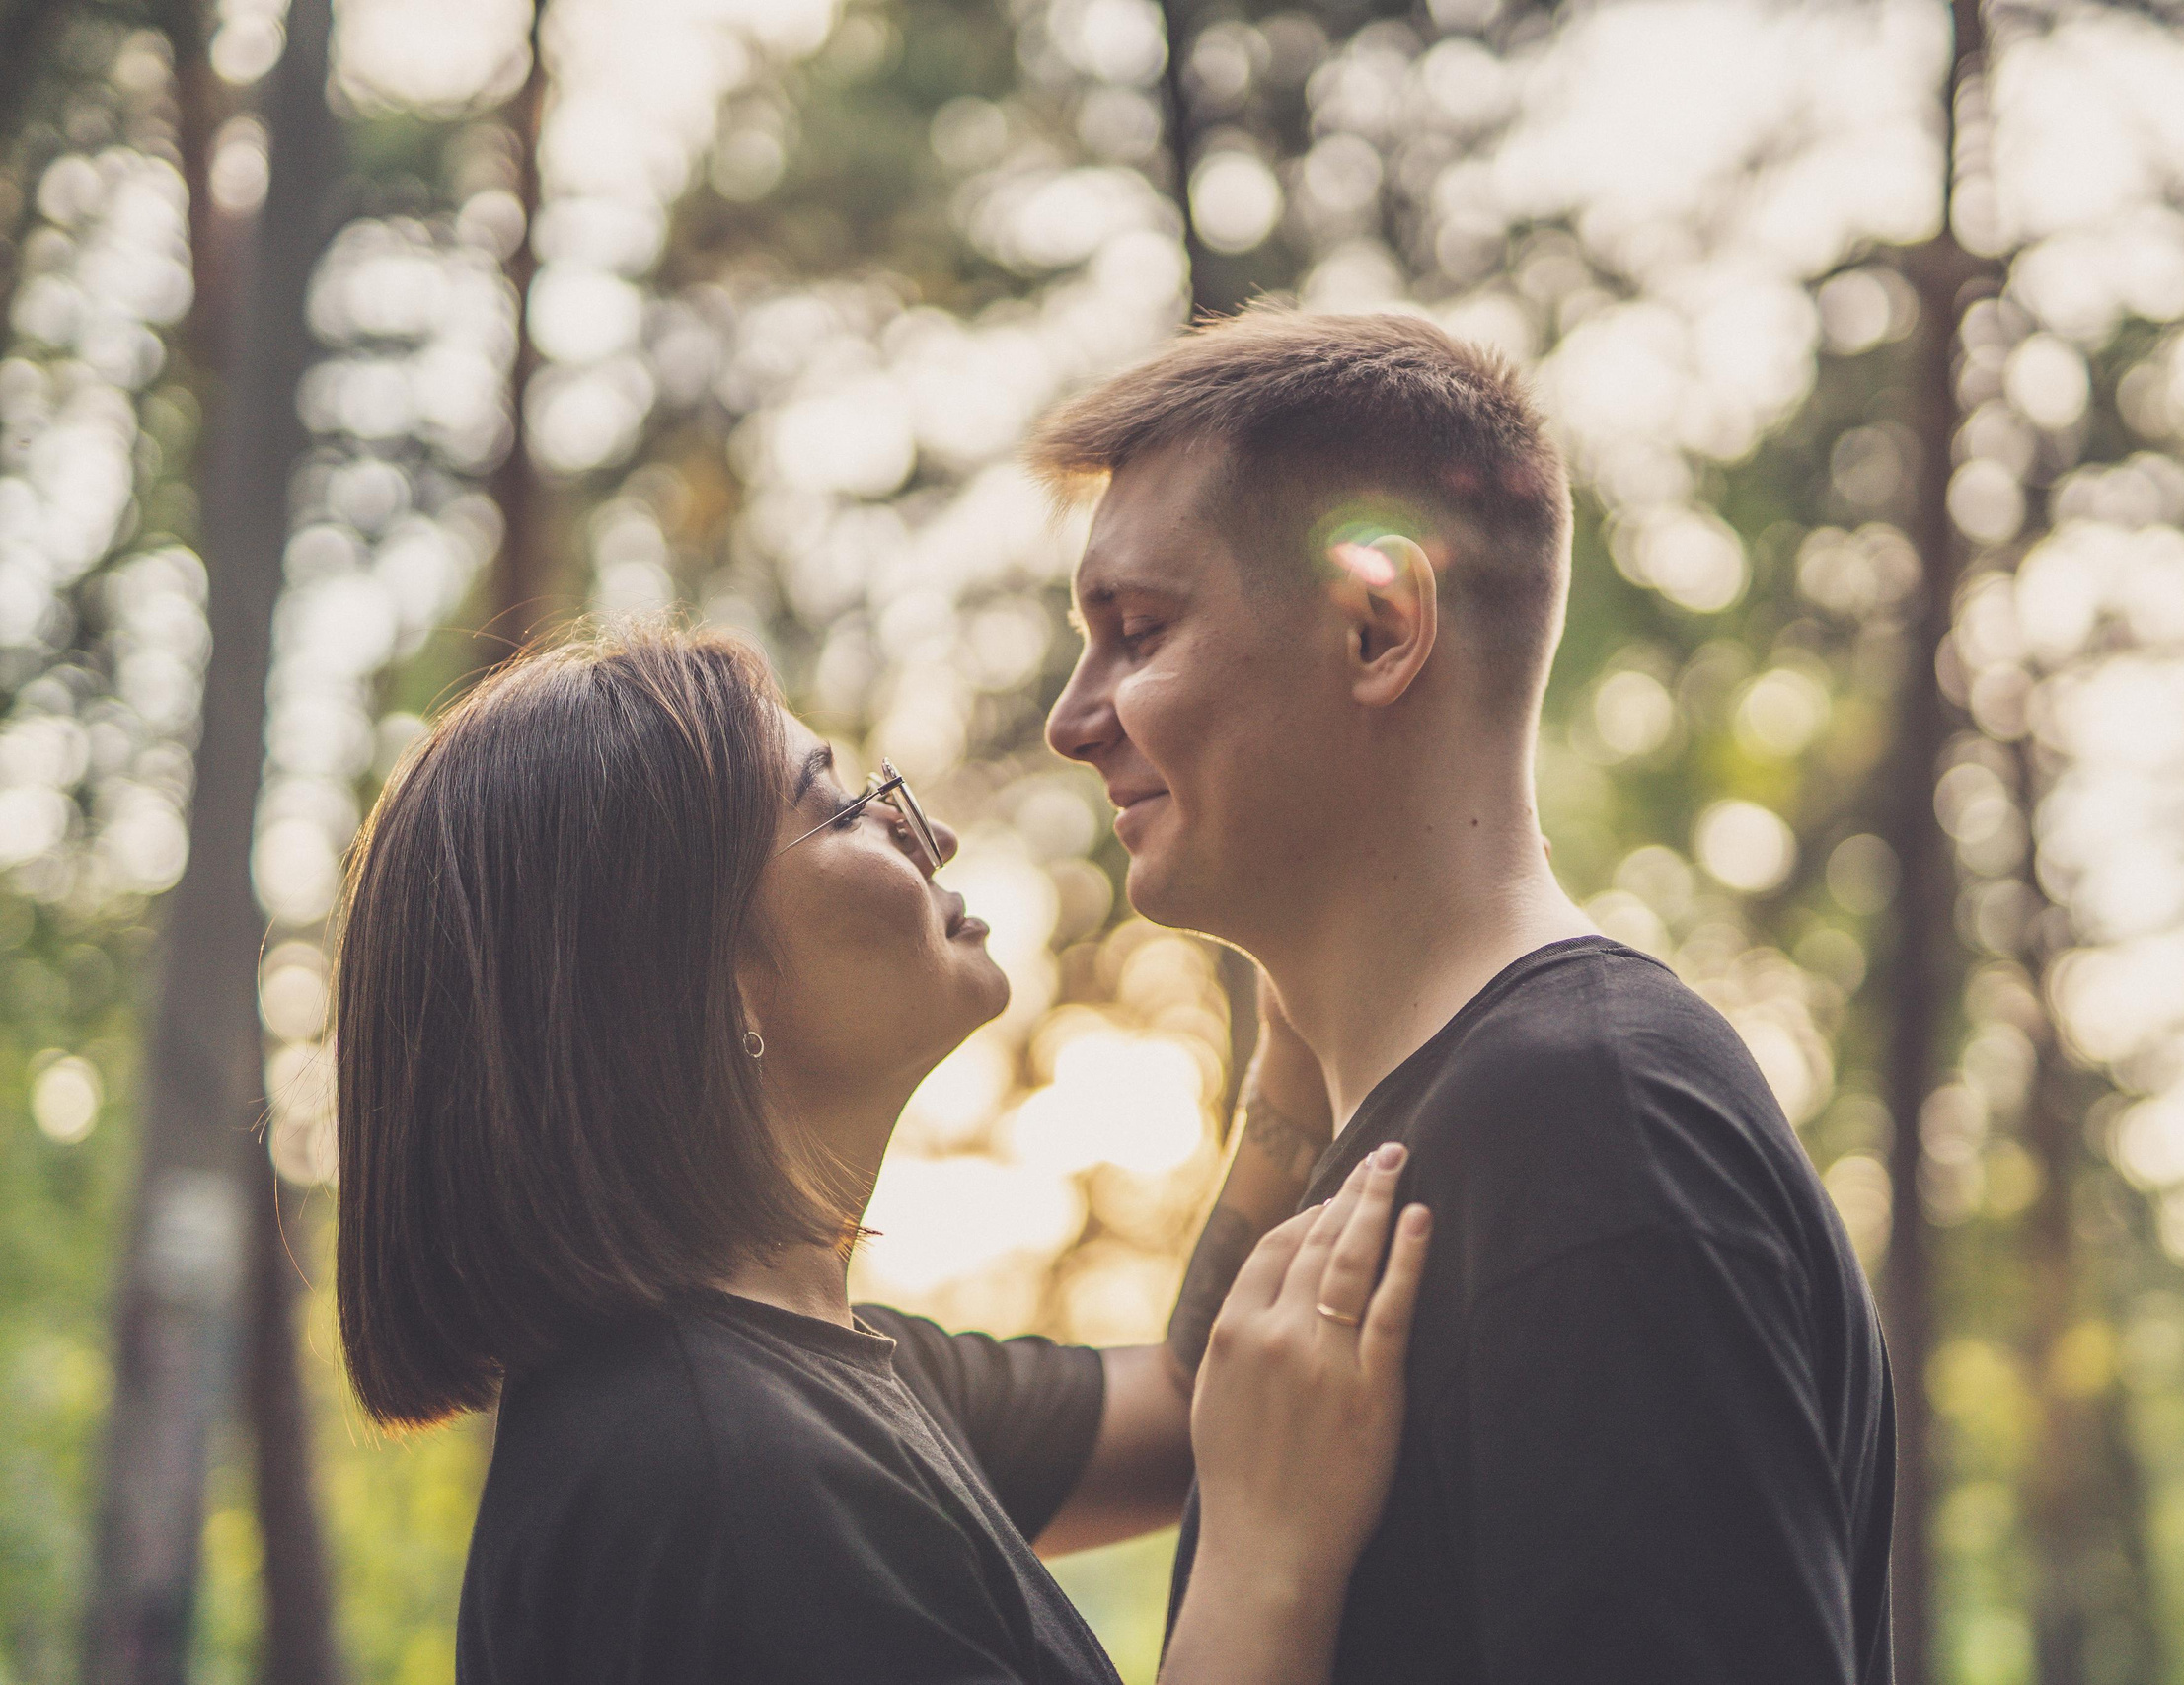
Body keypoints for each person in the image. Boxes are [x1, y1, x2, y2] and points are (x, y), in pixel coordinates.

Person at [1033, 306, 1899, 1684]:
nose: (1072, 720)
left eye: (1136, 630)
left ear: (1379, 627)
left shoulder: (1589, 1132)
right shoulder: (1467, 1127)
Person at [330, 620, 1429, 1685]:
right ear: (703, 982)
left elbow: (1197, 1400)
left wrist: (1294, 1040)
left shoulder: (806, 1376)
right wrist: (1264, 1564)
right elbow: (1242, 1456)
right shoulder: (725, 1485)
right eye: (849, 809)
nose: (930, 834)